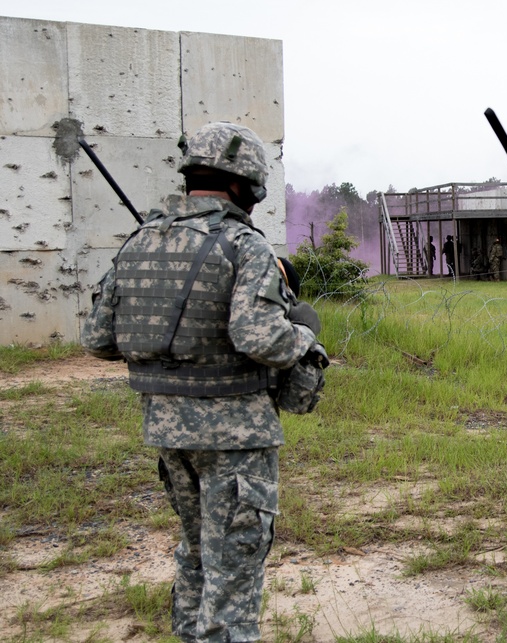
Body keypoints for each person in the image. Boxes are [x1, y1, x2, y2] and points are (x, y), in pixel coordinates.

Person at [81, 122, 325, 643]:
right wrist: (303, 333)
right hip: (235, 435)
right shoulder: (244, 246)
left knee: (194, 554)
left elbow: (99, 339)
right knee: (234, 572)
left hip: (168, 433)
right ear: (244, 185)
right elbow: (260, 337)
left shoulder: (139, 242)